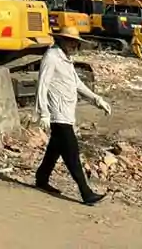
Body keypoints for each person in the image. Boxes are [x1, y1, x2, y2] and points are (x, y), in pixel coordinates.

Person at [34, 26, 111, 204]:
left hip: (67, 113)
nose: (73, 45)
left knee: (55, 148)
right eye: (70, 41)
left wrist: (97, 100)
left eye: (75, 42)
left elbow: (77, 84)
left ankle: (42, 177)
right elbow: (42, 85)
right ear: (61, 40)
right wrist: (43, 112)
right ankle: (86, 192)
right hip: (57, 114)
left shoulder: (66, 59)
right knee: (72, 153)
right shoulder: (52, 57)